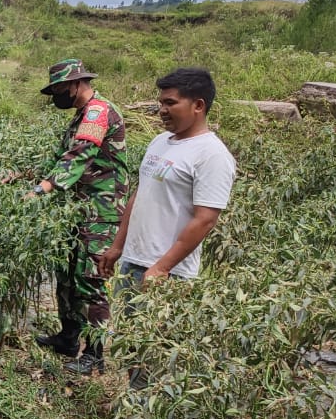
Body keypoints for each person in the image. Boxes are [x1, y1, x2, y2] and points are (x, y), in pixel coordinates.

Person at [28, 58, 128, 374]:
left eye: (59, 87)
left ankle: (94, 356)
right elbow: (59, 159)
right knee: (67, 277)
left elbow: (79, 155)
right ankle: (69, 337)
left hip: (100, 211)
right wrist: (25, 176)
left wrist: (43, 189)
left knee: (92, 281)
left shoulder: (98, 113)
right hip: (78, 210)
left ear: (76, 84)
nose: (56, 94)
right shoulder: (79, 117)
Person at [99, 67, 235, 286]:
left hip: (169, 274)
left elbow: (205, 219)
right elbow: (140, 194)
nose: (162, 110)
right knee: (124, 321)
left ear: (198, 105)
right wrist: (117, 246)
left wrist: (162, 267)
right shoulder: (160, 141)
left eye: (170, 103)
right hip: (132, 262)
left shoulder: (212, 154)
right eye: (161, 103)